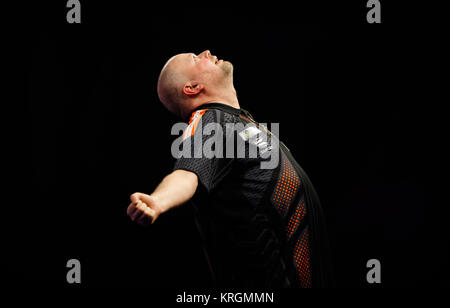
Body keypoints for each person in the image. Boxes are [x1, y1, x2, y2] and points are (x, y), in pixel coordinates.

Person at [126, 50, 333, 287]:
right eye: (195, 57)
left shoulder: (240, 123)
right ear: (192, 87)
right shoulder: (210, 119)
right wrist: (158, 200)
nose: (206, 52)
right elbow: (187, 174)